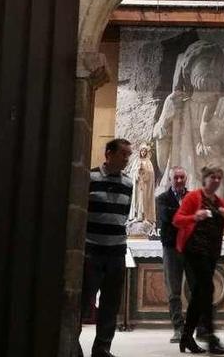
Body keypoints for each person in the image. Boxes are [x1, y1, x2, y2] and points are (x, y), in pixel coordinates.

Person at [153, 40, 224, 205]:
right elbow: (163, 165)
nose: (211, 67)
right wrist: (165, 120)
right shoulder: (179, 107)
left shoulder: (222, 109)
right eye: (205, 61)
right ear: (189, 68)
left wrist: (214, 145)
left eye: (216, 64)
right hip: (184, 193)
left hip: (213, 196)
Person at [173, 165, 224, 354]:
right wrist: (195, 216)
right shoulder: (193, 197)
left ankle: (186, 338)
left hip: (210, 253)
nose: (216, 180)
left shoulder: (220, 201)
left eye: (219, 177)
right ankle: (211, 339)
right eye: (212, 177)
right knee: (207, 291)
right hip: (194, 251)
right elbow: (177, 219)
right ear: (205, 179)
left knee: (200, 295)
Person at [79, 138, 133, 357]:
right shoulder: (89, 178)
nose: (127, 159)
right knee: (84, 300)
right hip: (92, 250)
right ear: (108, 154)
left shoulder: (128, 183)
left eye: (129, 155)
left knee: (111, 304)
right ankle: (73, 344)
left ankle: (102, 348)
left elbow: (123, 214)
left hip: (117, 251)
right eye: (123, 154)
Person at [155, 166, 190, 343]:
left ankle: (192, 327)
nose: (178, 180)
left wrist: (182, 216)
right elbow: (167, 217)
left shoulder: (193, 197)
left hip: (190, 249)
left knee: (193, 289)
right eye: (175, 178)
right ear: (170, 179)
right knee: (173, 291)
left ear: (186, 179)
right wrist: (189, 215)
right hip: (171, 248)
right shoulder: (162, 198)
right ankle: (178, 328)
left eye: (181, 177)